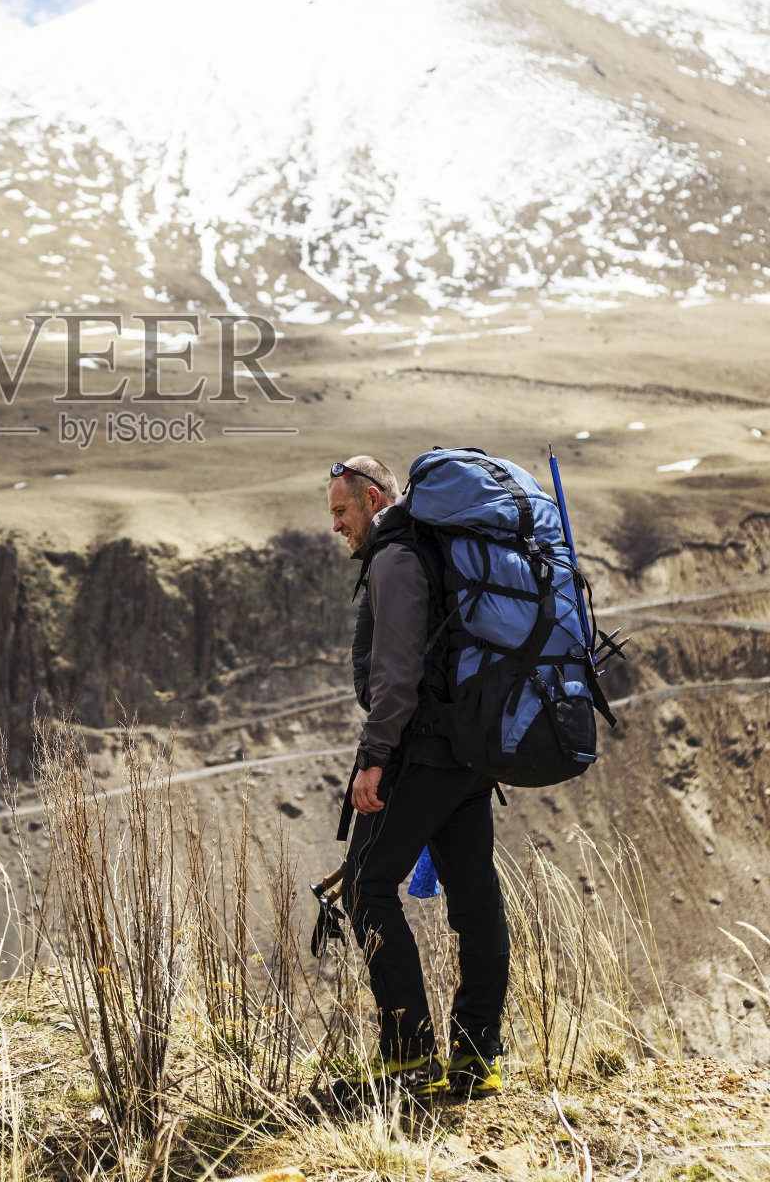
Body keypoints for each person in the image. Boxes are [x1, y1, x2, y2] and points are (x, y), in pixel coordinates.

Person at [325, 456, 509, 1101]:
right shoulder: (431, 548)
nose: (339, 527)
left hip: (422, 753)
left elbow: (396, 670)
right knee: (475, 899)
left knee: (368, 888)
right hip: (469, 754)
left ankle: (409, 1058)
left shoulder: (396, 556)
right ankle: (477, 1054)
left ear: (373, 498)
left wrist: (374, 756)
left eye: (342, 512)